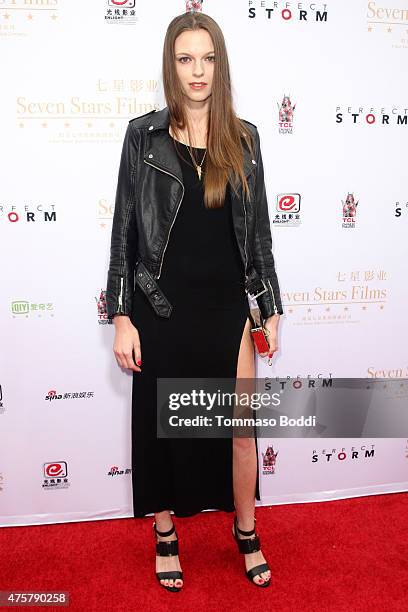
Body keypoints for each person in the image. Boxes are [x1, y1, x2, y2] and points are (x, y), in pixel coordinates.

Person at [106, 11, 284, 593]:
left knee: (239, 427)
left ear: (220, 63)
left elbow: (258, 232)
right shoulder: (144, 136)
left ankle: (247, 529)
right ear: (171, 65)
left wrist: (270, 304)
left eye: (207, 57)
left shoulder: (246, 137)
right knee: (163, 429)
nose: (198, 70)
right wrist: (122, 314)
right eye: (186, 58)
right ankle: (164, 535)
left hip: (228, 308)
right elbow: (125, 230)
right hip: (161, 306)